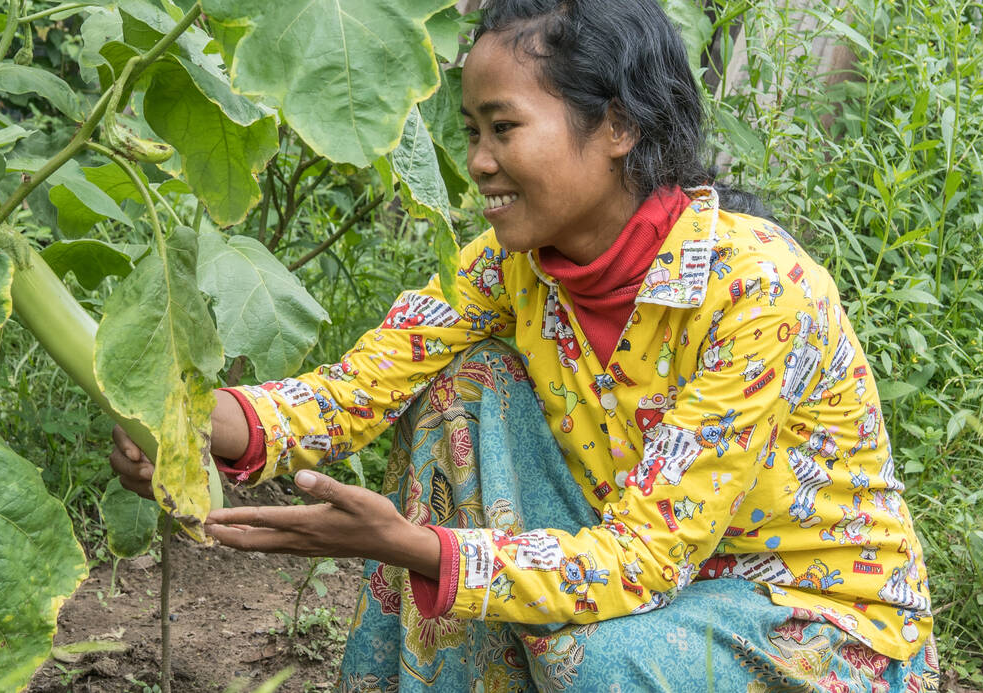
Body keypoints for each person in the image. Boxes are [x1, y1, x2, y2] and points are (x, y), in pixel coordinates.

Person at [111, 0, 938, 689]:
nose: (477, 162)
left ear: (617, 126)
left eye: (503, 128)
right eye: (471, 130)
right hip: (649, 574)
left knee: (605, 667)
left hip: (812, 621)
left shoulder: (758, 290)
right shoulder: (514, 270)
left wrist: (421, 549)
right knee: (458, 387)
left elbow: (643, 558)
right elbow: (352, 389)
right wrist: (182, 421)